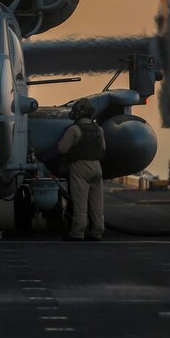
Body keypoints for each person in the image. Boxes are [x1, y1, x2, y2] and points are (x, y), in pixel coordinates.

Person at [57, 98, 106, 242]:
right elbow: (103, 149)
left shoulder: (74, 130)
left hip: (80, 167)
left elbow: (62, 149)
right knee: (97, 204)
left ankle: (78, 232)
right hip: (97, 168)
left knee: (80, 204)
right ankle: (97, 231)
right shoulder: (99, 129)